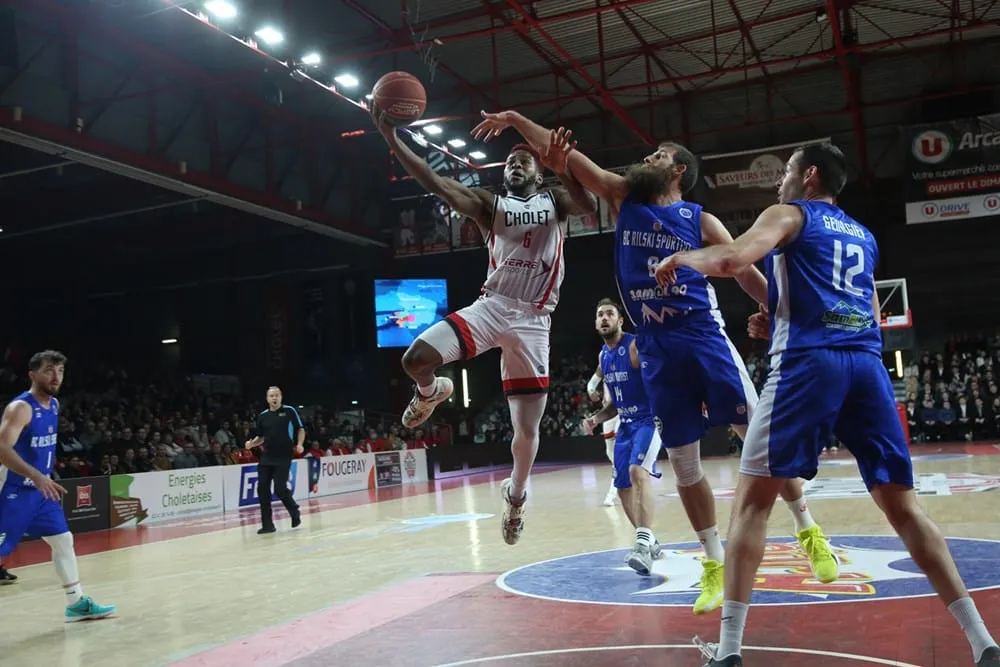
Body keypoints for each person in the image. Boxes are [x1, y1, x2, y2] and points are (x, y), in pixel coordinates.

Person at [472, 110, 838, 614]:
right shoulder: (624, 197)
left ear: (678, 171)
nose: (646, 159)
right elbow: (570, 158)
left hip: (704, 338)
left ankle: (807, 527)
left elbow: (744, 272)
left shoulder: (698, 218)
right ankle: (713, 563)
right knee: (685, 464)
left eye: (657, 155)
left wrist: (778, 313)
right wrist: (516, 120)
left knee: (757, 440)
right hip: (659, 347)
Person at [655, 143, 1000, 667]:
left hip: (809, 367)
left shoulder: (789, 214)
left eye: (787, 172)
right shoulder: (864, 235)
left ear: (809, 176)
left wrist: (683, 257)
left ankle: (727, 652)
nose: (779, 183)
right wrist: (778, 317)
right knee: (904, 508)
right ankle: (982, 641)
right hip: (865, 367)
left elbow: (729, 259)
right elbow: (836, 302)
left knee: (751, 504)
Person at [371, 110, 596, 546]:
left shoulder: (555, 202)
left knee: (526, 433)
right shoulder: (489, 204)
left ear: (537, 172)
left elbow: (587, 205)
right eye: (510, 162)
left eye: (524, 161)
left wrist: (563, 169)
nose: (515, 164)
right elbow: (438, 184)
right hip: (492, 307)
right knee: (414, 358)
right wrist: (392, 139)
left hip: (533, 320)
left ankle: (515, 496)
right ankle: (430, 391)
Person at [0, 350, 116, 621]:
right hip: (14, 490)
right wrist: (37, 476)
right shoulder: (21, 408)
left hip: (40, 491)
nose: (56, 376)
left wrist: (44, 476)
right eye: (49, 370)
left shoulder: (53, 405)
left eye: (60, 371)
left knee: (63, 541)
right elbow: (2, 448)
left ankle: (76, 603)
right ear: (33, 375)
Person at [581, 298, 664, 574]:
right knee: (623, 485)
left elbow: (658, 379)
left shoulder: (634, 345)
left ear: (620, 320)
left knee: (638, 472)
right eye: (599, 314)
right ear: (595, 323)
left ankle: (641, 546)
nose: (604, 318)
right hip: (626, 423)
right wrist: (595, 418)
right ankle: (648, 540)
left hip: (649, 420)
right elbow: (615, 405)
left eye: (609, 314)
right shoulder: (603, 357)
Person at [245, 386, 304, 535]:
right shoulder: (263, 416)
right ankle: (268, 525)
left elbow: (300, 429)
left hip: (284, 456)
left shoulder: (289, 411)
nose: (274, 398)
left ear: (281, 397)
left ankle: (294, 510)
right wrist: (252, 444)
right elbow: (261, 437)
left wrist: (300, 444)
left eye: (276, 395)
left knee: (279, 489)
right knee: (262, 490)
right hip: (267, 458)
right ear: (267, 398)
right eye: (271, 396)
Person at [586, 359, 619, 507]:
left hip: (622, 410)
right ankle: (623, 476)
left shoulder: (628, 354)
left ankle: (612, 492)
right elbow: (592, 383)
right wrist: (591, 390)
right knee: (610, 453)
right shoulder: (604, 356)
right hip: (608, 412)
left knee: (619, 453)